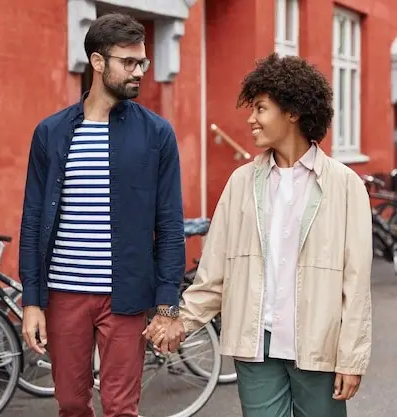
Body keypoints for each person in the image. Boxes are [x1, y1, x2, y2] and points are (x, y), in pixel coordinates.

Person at [145, 53, 373, 417]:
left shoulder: (345, 186)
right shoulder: (241, 183)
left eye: (261, 109)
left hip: (318, 344)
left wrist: (352, 358)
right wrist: (179, 321)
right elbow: (215, 272)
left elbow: (356, 283)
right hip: (256, 345)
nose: (251, 119)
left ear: (293, 112)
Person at [18, 12, 185, 417]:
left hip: (125, 294)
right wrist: (32, 302)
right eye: (128, 62)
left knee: (121, 407)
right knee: (71, 403)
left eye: (142, 62)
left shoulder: (157, 134)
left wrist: (167, 306)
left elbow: (169, 225)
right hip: (64, 294)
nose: (139, 71)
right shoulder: (51, 133)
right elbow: (33, 219)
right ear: (97, 61)